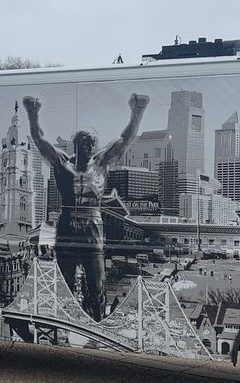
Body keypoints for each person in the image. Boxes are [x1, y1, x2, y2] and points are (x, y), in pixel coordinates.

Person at [23, 92, 149, 320]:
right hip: (67, 228)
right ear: (76, 145)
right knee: (66, 283)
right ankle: (64, 323)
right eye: (84, 143)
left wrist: (136, 112)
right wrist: (32, 114)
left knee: (97, 284)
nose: (88, 146)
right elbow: (40, 141)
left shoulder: (101, 163)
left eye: (91, 142)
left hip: (93, 227)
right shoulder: (62, 163)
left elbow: (125, 140)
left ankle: (97, 321)